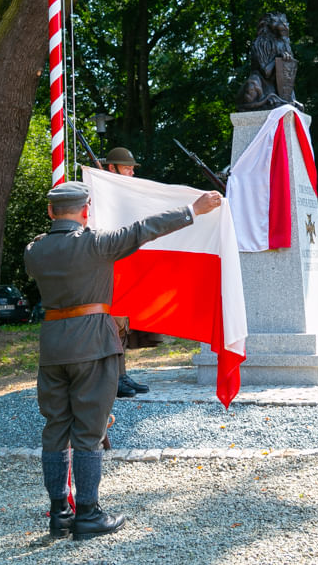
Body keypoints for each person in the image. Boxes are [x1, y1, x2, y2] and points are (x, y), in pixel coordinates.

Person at [24, 181, 222, 540]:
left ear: (51, 212)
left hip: (52, 348)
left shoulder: (34, 251)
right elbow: (142, 229)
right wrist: (192, 210)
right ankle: (88, 513)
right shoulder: (95, 244)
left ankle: (59, 514)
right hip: (93, 345)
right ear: (86, 211)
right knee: (88, 432)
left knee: (55, 429)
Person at [102, 146, 163, 398]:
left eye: (131, 168)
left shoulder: (129, 192)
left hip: (126, 266)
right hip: (109, 268)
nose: (131, 173)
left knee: (122, 325)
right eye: (126, 168)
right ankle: (113, 379)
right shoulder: (101, 192)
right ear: (111, 168)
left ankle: (122, 375)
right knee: (113, 326)